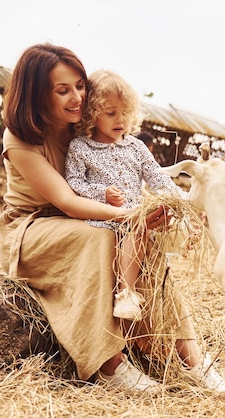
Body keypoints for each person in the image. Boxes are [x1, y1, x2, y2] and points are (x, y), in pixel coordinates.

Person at [0, 43, 225, 393]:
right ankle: (108, 364)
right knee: (103, 236)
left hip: (88, 215)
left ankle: (192, 359)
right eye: (63, 90)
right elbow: (67, 200)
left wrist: (150, 215)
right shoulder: (20, 138)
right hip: (33, 227)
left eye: (79, 86)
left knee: (142, 243)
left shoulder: (82, 130)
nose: (77, 97)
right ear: (36, 95)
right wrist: (128, 214)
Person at [64, 69, 184, 322]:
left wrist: (181, 200)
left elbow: (156, 176)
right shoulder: (81, 147)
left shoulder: (135, 146)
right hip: (103, 217)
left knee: (157, 219)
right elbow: (73, 181)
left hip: (134, 215)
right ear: (92, 115)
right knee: (138, 227)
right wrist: (102, 193)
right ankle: (126, 294)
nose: (121, 120)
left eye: (125, 113)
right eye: (111, 113)